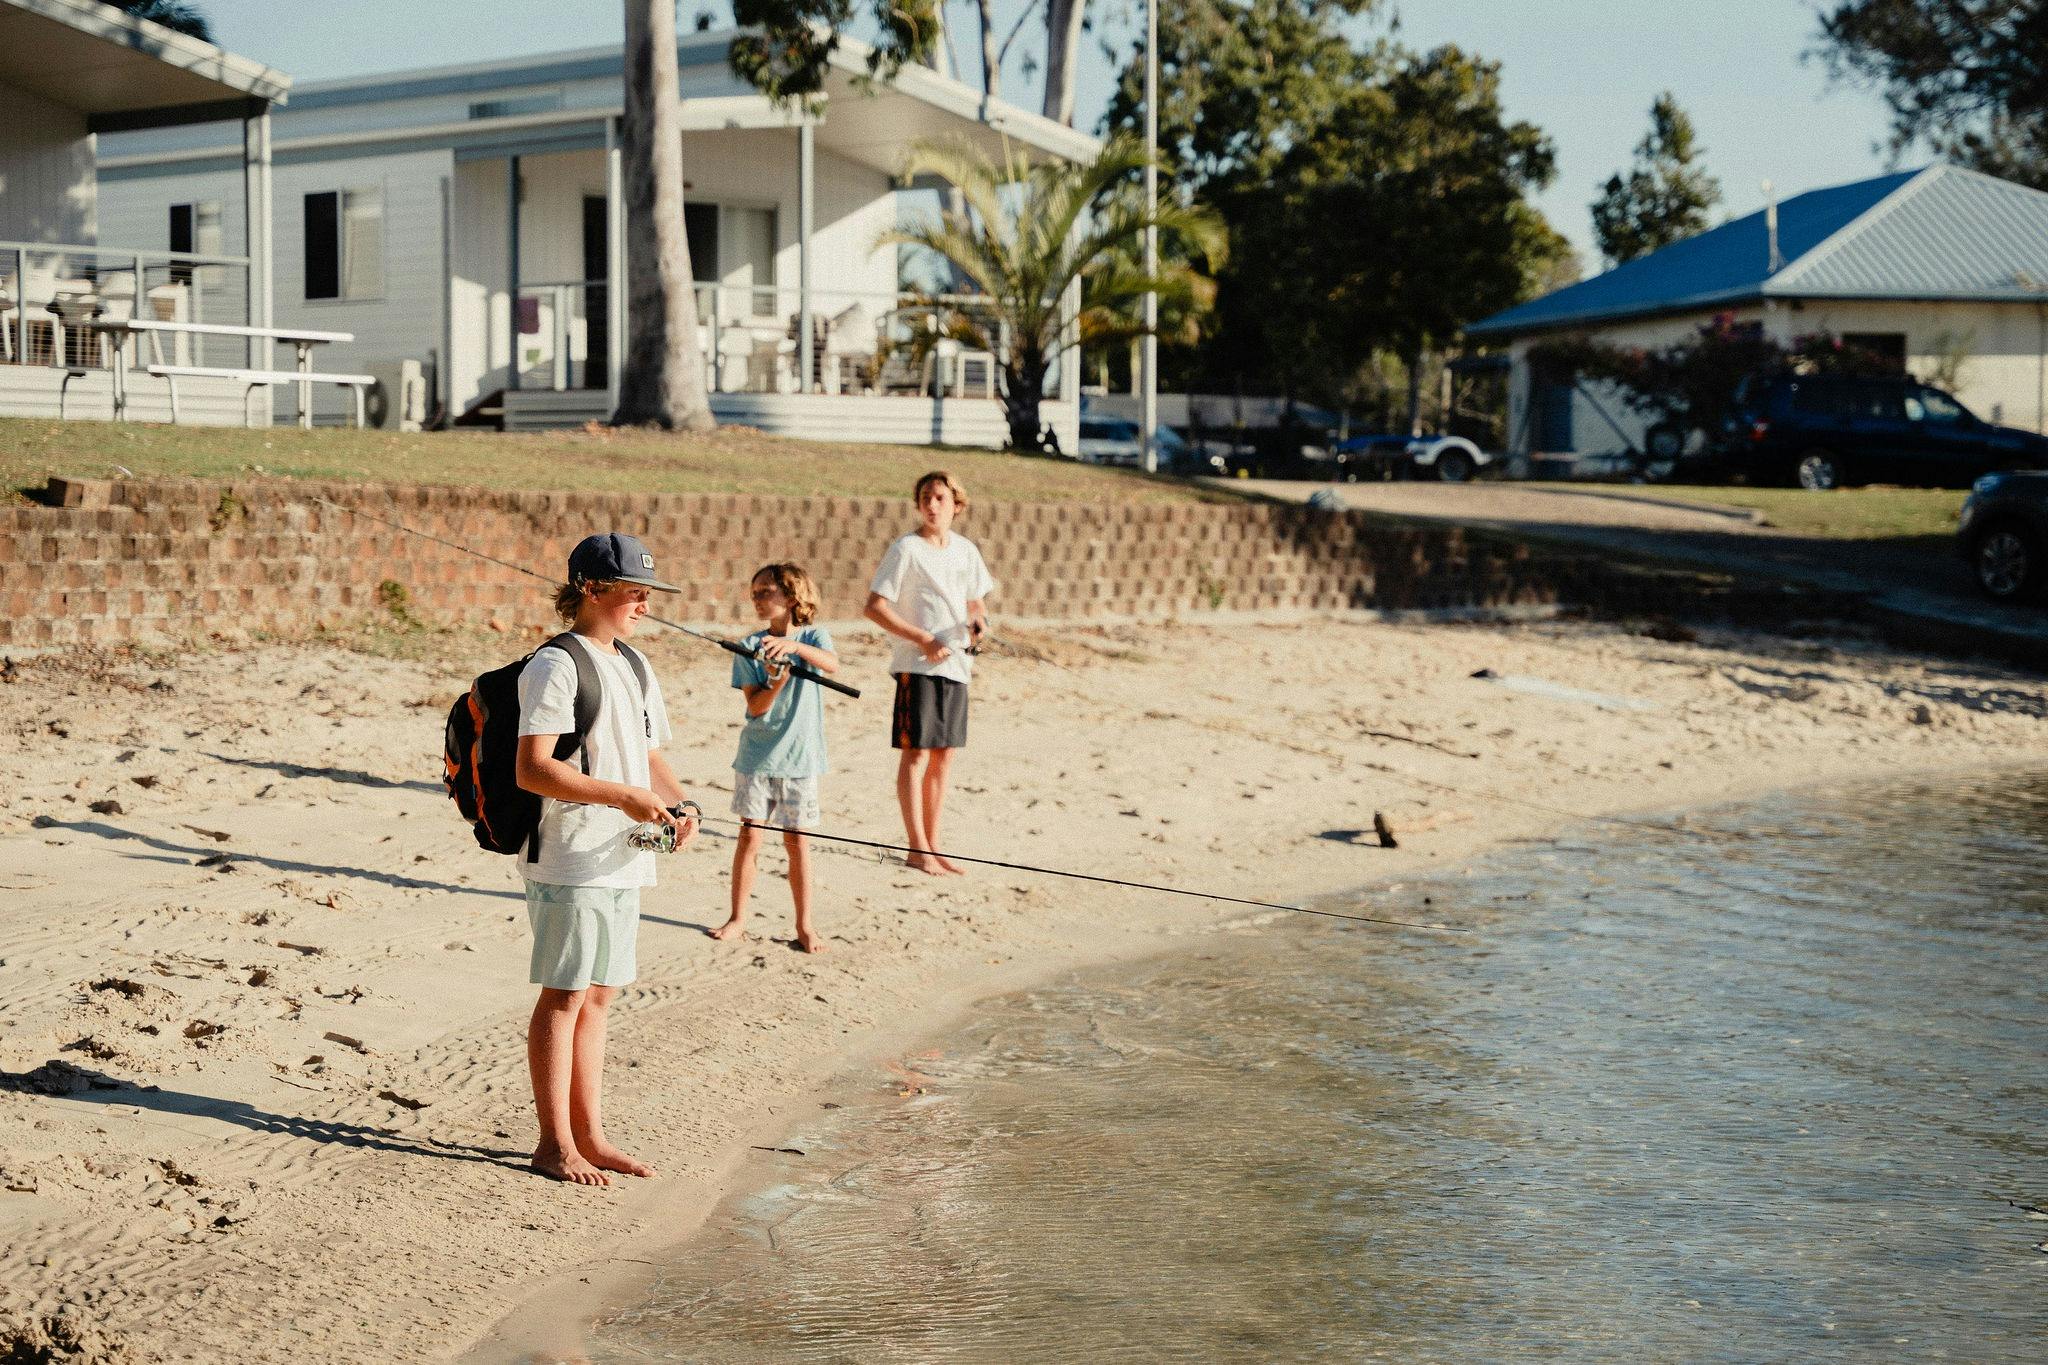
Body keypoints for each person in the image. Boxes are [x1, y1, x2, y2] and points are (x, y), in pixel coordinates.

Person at [515, 531, 699, 1187]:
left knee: (600, 997)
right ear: (591, 590)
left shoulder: (635, 665)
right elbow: (533, 769)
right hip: (570, 859)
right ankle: (551, 1141)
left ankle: (589, 1134)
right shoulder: (555, 666)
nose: (644, 605)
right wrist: (623, 796)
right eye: (634, 592)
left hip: (625, 855)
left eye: (648, 594)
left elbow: (648, 755)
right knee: (563, 997)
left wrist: (683, 803)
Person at [863, 470, 995, 876]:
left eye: (940, 497)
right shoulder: (906, 549)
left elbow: (975, 603)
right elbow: (874, 607)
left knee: (944, 756)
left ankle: (933, 844)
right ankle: (916, 847)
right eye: (925, 497)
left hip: (957, 664)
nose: (932, 505)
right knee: (916, 753)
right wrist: (922, 638)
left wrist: (979, 624)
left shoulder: (966, 551)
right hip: (916, 665)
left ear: (957, 504)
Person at [710, 562, 839, 952]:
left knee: (797, 843)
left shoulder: (816, 636)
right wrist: (778, 680)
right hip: (757, 758)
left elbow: (832, 665)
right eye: (754, 594)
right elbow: (756, 707)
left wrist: (796, 650)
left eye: (766, 591)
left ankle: (804, 926)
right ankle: (737, 918)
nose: (758, 599)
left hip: (800, 759)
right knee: (750, 837)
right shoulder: (749, 646)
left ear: (791, 594)